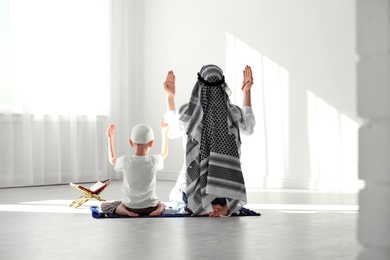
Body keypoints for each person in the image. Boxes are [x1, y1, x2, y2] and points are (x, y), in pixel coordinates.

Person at [163, 64, 255, 217]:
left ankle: (201, 206)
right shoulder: (234, 114)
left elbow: (172, 131)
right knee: (223, 189)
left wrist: (170, 96)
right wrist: (247, 91)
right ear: (222, 86)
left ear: (199, 86)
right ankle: (225, 206)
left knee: (176, 196)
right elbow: (249, 127)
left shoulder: (189, 113)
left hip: (193, 190)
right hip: (225, 192)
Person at [100, 121, 169, 217]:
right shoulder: (154, 160)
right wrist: (164, 134)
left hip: (130, 206)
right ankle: (160, 207)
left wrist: (110, 138)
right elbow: (164, 153)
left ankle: (121, 209)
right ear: (151, 143)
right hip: (151, 206)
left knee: (104, 206)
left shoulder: (125, 160)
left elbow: (112, 159)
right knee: (160, 202)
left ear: (131, 142)